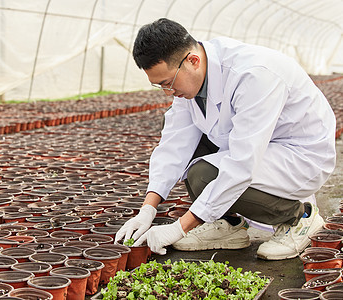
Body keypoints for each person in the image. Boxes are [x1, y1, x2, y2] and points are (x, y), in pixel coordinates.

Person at [114, 18, 336, 260]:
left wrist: (181, 227)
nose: (169, 92)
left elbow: (241, 164)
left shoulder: (254, 75)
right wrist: (148, 208)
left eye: (168, 83)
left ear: (193, 60)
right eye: (160, 86)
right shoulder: (191, 76)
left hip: (300, 155)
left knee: (204, 174)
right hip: (259, 146)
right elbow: (173, 146)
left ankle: (299, 217)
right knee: (189, 149)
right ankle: (230, 225)